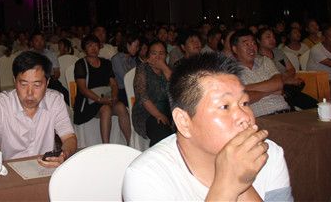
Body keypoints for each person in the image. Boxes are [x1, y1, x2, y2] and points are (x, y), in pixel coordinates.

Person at [123, 53, 292, 201]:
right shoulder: (147, 176)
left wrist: (242, 183)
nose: (244, 117)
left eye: (245, 103)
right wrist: (229, 185)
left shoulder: (269, 155)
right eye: (225, 106)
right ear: (183, 121)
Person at [0, 51, 77, 168]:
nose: (30, 93)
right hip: (8, 171)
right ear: (14, 81)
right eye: (23, 84)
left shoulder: (55, 101)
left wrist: (64, 154)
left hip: (44, 168)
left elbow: (69, 138)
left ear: (47, 83)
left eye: (37, 85)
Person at [73, 35, 131, 145]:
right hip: (88, 102)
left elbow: (113, 84)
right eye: (90, 46)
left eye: (96, 45)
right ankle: (106, 145)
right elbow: (83, 89)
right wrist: (99, 100)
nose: (93, 48)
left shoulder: (106, 63)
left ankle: (129, 142)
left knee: (121, 107)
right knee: (106, 109)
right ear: (84, 49)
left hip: (105, 98)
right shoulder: (81, 64)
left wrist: (114, 96)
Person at [231, 29, 296, 117]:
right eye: (246, 44)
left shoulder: (265, 61)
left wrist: (245, 88)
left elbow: (278, 83)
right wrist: (270, 91)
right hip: (261, 118)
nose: (251, 47)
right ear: (235, 49)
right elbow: (242, 99)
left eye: (253, 43)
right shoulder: (231, 71)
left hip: (285, 111)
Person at [256, 28, 317, 110]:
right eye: (268, 37)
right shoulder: (257, 58)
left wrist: (284, 79)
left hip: (288, 87)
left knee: (312, 103)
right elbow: (266, 80)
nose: (272, 39)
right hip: (273, 91)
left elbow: (291, 70)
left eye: (273, 37)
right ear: (258, 40)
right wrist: (286, 80)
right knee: (294, 96)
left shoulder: (278, 52)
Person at [132, 41, 173, 146]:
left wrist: (164, 68)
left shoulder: (168, 69)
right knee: (162, 132)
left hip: (169, 112)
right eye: (154, 53)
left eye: (161, 53)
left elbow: (178, 89)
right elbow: (142, 96)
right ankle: (156, 155)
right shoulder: (142, 69)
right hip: (147, 113)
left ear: (166, 55)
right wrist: (158, 114)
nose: (157, 57)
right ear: (148, 55)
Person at [111, 35, 140, 105]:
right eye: (136, 46)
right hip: (122, 91)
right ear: (128, 45)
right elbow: (125, 78)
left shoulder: (132, 59)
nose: (137, 49)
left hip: (132, 89)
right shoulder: (116, 59)